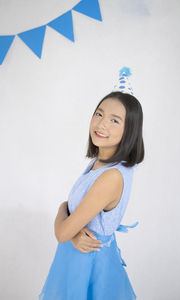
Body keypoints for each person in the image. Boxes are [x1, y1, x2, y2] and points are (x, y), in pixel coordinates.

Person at [38, 70, 144, 299]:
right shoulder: (101, 164)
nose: (102, 124)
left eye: (114, 120)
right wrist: (72, 229)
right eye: (99, 114)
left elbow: (62, 232)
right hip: (77, 258)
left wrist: (61, 210)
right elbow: (73, 226)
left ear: (130, 130)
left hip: (89, 265)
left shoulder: (111, 176)